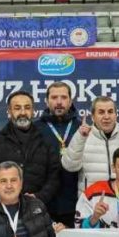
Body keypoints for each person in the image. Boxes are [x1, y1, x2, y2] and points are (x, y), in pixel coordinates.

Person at [0, 91, 61, 209]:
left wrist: (39, 197)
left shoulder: (47, 139)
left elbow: (54, 176)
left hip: (41, 208)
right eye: (17, 108)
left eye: (27, 108)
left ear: (33, 111)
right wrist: (10, 197)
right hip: (4, 208)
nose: (23, 112)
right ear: (9, 111)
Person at [62, 96, 119, 191]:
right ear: (93, 116)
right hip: (90, 201)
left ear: (116, 115)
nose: (106, 117)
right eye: (101, 112)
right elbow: (70, 166)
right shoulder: (82, 138)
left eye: (110, 112)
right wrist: (81, 138)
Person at [37, 81, 81, 228]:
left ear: (70, 101)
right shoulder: (35, 129)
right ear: (46, 101)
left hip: (76, 200)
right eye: (54, 97)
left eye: (63, 97)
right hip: (45, 202)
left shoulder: (82, 128)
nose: (59, 102)